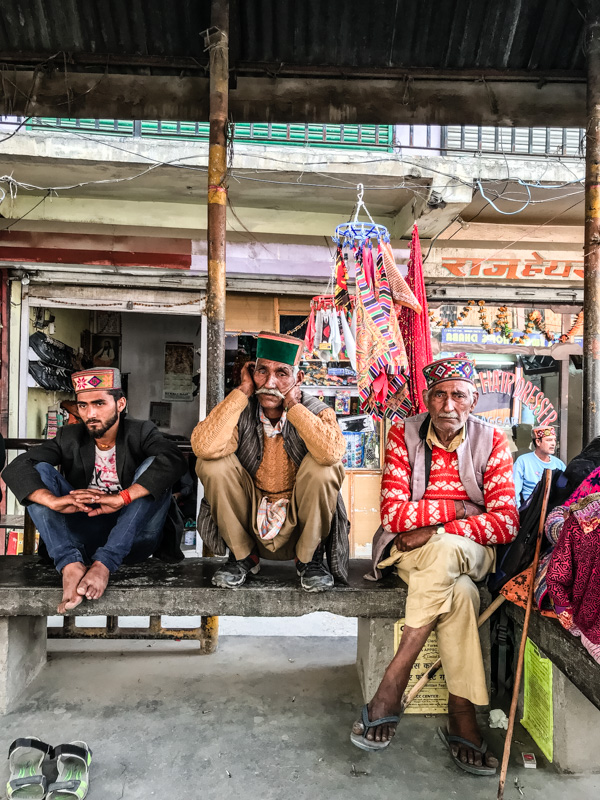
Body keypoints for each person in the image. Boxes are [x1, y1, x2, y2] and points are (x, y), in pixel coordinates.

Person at [351, 357, 519, 775]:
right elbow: (393, 516)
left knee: (445, 547)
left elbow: (507, 522)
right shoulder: (403, 435)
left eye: (458, 395)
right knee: (459, 593)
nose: (448, 404)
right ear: (427, 399)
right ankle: (461, 709)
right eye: (439, 395)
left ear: (473, 400)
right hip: (414, 555)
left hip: (468, 551)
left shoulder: (494, 441)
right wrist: (464, 509)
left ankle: (394, 680)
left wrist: (433, 526)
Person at [2, 368, 187, 614]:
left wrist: (123, 497)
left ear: (120, 404)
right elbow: (16, 468)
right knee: (41, 471)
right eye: (83, 406)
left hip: (136, 537)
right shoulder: (70, 436)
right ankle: (69, 564)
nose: (90, 414)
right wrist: (53, 501)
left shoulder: (140, 432)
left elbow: (173, 459)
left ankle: (104, 564)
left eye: (99, 403)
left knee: (155, 467)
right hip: (84, 534)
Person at [192, 332, 348, 592]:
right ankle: (243, 557)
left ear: (298, 378)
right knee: (210, 464)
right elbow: (204, 447)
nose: (270, 382)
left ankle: (309, 560)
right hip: (248, 520)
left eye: (282, 373)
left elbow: (331, 454)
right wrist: (242, 391)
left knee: (325, 468)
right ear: (251, 373)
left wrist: (294, 407)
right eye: (262, 371)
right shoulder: (240, 408)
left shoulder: (317, 410)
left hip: (299, 522)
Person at [513, 426, 566, 507]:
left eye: (554, 440)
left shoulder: (559, 464)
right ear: (538, 442)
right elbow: (514, 491)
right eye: (549, 440)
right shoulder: (523, 461)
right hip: (530, 511)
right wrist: (518, 512)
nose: (553, 443)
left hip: (553, 511)